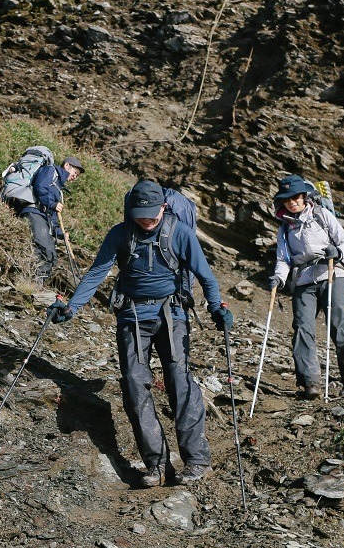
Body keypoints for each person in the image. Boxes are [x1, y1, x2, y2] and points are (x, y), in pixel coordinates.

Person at [48, 180, 233, 487]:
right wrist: (71, 308)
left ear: (164, 207)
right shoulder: (120, 234)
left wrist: (217, 308)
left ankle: (197, 461)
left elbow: (206, 277)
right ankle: (156, 464)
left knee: (179, 381)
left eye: (151, 214)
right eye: (140, 215)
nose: (146, 220)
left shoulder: (180, 233)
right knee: (135, 385)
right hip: (132, 316)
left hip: (172, 315)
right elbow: (97, 272)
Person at [268, 175, 344, 399]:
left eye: (295, 197)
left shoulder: (322, 214)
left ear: (304, 196)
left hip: (332, 272)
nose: (292, 202)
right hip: (303, 279)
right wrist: (279, 278)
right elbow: (284, 259)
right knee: (302, 327)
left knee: (339, 324)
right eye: (287, 199)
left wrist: (337, 252)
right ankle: (310, 383)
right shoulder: (285, 228)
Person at [20, 155, 84, 285]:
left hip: (42, 217)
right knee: (45, 250)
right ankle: (31, 283)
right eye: (75, 172)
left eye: (77, 175)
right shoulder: (50, 170)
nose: (75, 177)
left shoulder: (58, 188)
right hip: (34, 212)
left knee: (52, 256)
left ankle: (35, 284)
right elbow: (40, 187)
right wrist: (52, 204)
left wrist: (60, 233)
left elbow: (53, 217)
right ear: (66, 166)